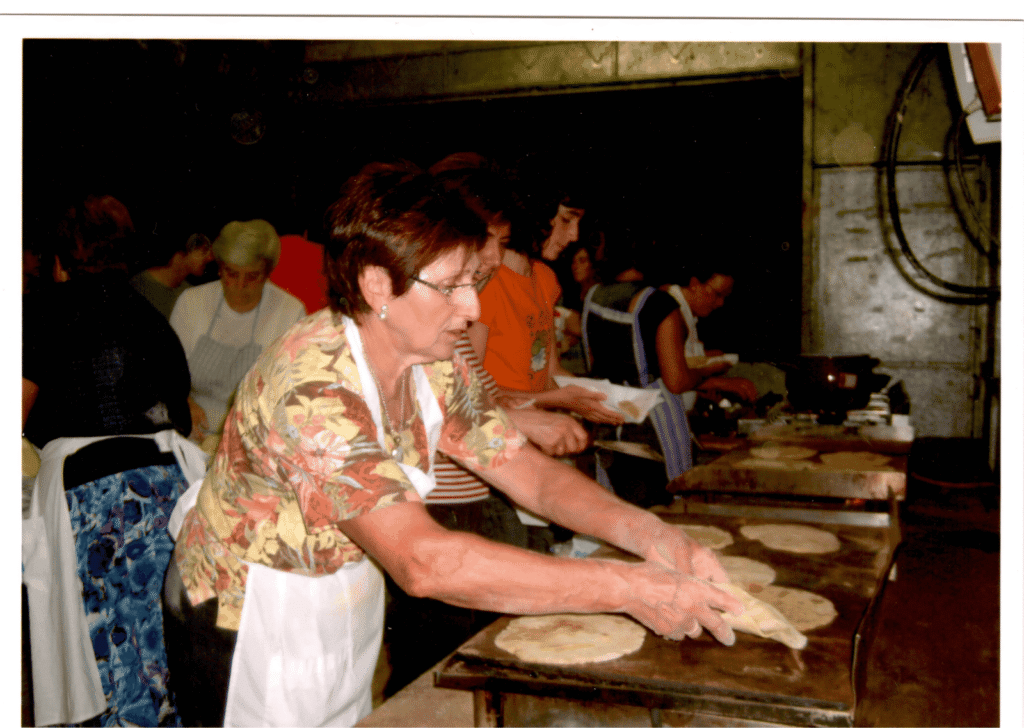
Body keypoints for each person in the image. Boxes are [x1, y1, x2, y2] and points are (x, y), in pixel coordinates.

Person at [161, 162, 742, 728]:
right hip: (250, 613)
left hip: (338, 591)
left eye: (474, 281)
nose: (473, 307)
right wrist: (628, 587)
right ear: (376, 286)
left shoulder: (429, 356)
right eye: (453, 286)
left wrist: (651, 537)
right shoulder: (312, 386)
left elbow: (523, 469)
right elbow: (423, 561)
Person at [382, 157, 593, 697]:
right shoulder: (393, 334)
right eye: (490, 241)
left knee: (470, 662)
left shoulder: (443, 327)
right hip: (439, 509)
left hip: (470, 501)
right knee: (437, 673)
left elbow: (486, 429)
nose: (497, 259)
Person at [22, 193, 203, 727]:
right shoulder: (152, 318)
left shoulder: (42, 312)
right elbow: (181, 415)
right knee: (156, 641)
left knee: (101, 645)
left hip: (90, 492)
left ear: (63, 257)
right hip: (161, 483)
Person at [468, 171, 622, 424]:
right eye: (565, 220)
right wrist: (559, 400)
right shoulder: (487, 283)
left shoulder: (545, 278)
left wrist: (608, 399)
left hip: (539, 426)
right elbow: (469, 390)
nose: (574, 235)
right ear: (535, 213)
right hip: (499, 429)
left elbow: (550, 371)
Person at [169, 219, 305, 443]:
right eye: (232, 274)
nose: (240, 286)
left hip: (255, 437)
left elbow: (293, 393)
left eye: (252, 276)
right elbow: (167, 374)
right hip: (196, 434)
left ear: (268, 272)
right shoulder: (192, 302)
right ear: (220, 268)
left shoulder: (290, 313)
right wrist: (183, 402)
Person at [660, 262, 759, 408]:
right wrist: (720, 382)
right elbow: (674, 377)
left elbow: (686, 359)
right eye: (717, 294)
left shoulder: (687, 311)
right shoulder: (671, 309)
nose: (720, 303)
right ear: (695, 284)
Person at [130, 229, 215, 319]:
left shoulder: (190, 294)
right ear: (180, 252)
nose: (210, 258)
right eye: (204, 251)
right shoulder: (141, 285)